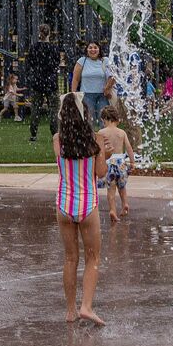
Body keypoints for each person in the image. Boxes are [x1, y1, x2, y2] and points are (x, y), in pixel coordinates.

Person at [53, 93, 104, 326]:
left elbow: (63, 164)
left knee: (70, 258)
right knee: (92, 258)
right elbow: (100, 173)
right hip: (87, 204)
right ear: (86, 113)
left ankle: (70, 310)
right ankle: (86, 307)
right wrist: (104, 153)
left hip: (64, 204)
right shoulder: (95, 139)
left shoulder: (57, 139)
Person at [98, 101, 137, 222]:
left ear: (105, 119)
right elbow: (129, 148)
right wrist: (132, 162)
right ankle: (125, 204)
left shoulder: (101, 133)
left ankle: (112, 210)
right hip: (121, 163)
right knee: (122, 186)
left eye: (103, 121)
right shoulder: (121, 132)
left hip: (109, 163)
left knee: (111, 189)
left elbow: (98, 150)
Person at [24, 26, 62, 142]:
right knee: (54, 109)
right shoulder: (54, 48)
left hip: (38, 81)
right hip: (51, 82)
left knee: (35, 108)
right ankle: (55, 133)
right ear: (49, 33)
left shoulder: (34, 47)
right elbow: (56, 63)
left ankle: (33, 134)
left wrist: (35, 73)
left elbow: (30, 63)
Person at [72, 40, 113, 125]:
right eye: (90, 48)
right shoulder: (82, 61)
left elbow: (112, 76)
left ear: (99, 49)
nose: (93, 50)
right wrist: (73, 93)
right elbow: (75, 79)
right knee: (88, 121)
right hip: (86, 95)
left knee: (105, 121)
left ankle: (104, 134)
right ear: (87, 50)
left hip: (103, 95)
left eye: (95, 47)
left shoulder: (105, 61)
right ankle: (90, 134)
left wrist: (107, 88)